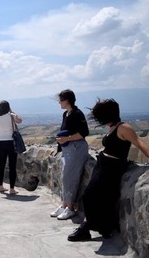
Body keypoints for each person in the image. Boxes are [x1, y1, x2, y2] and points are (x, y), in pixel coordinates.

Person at [68, 99, 149, 241]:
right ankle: (103, 228)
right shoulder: (113, 127)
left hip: (112, 167)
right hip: (103, 164)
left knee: (90, 196)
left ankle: (86, 227)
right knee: (102, 198)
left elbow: (139, 142)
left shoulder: (123, 128)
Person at [50, 89, 90, 220]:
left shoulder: (77, 114)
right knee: (64, 176)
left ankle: (71, 207)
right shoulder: (66, 114)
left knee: (70, 176)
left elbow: (84, 132)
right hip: (68, 149)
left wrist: (66, 139)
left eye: (60, 100)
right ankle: (64, 205)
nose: (59, 103)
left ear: (67, 100)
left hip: (77, 148)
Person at [0, 100, 23, 194]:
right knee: (12, 166)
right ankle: (12, 188)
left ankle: (0, 186)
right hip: (11, 142)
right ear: (8, 107)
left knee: (1, 165)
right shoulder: (11, 116)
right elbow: (20, 120)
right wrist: (13, 113)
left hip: (0, 142)